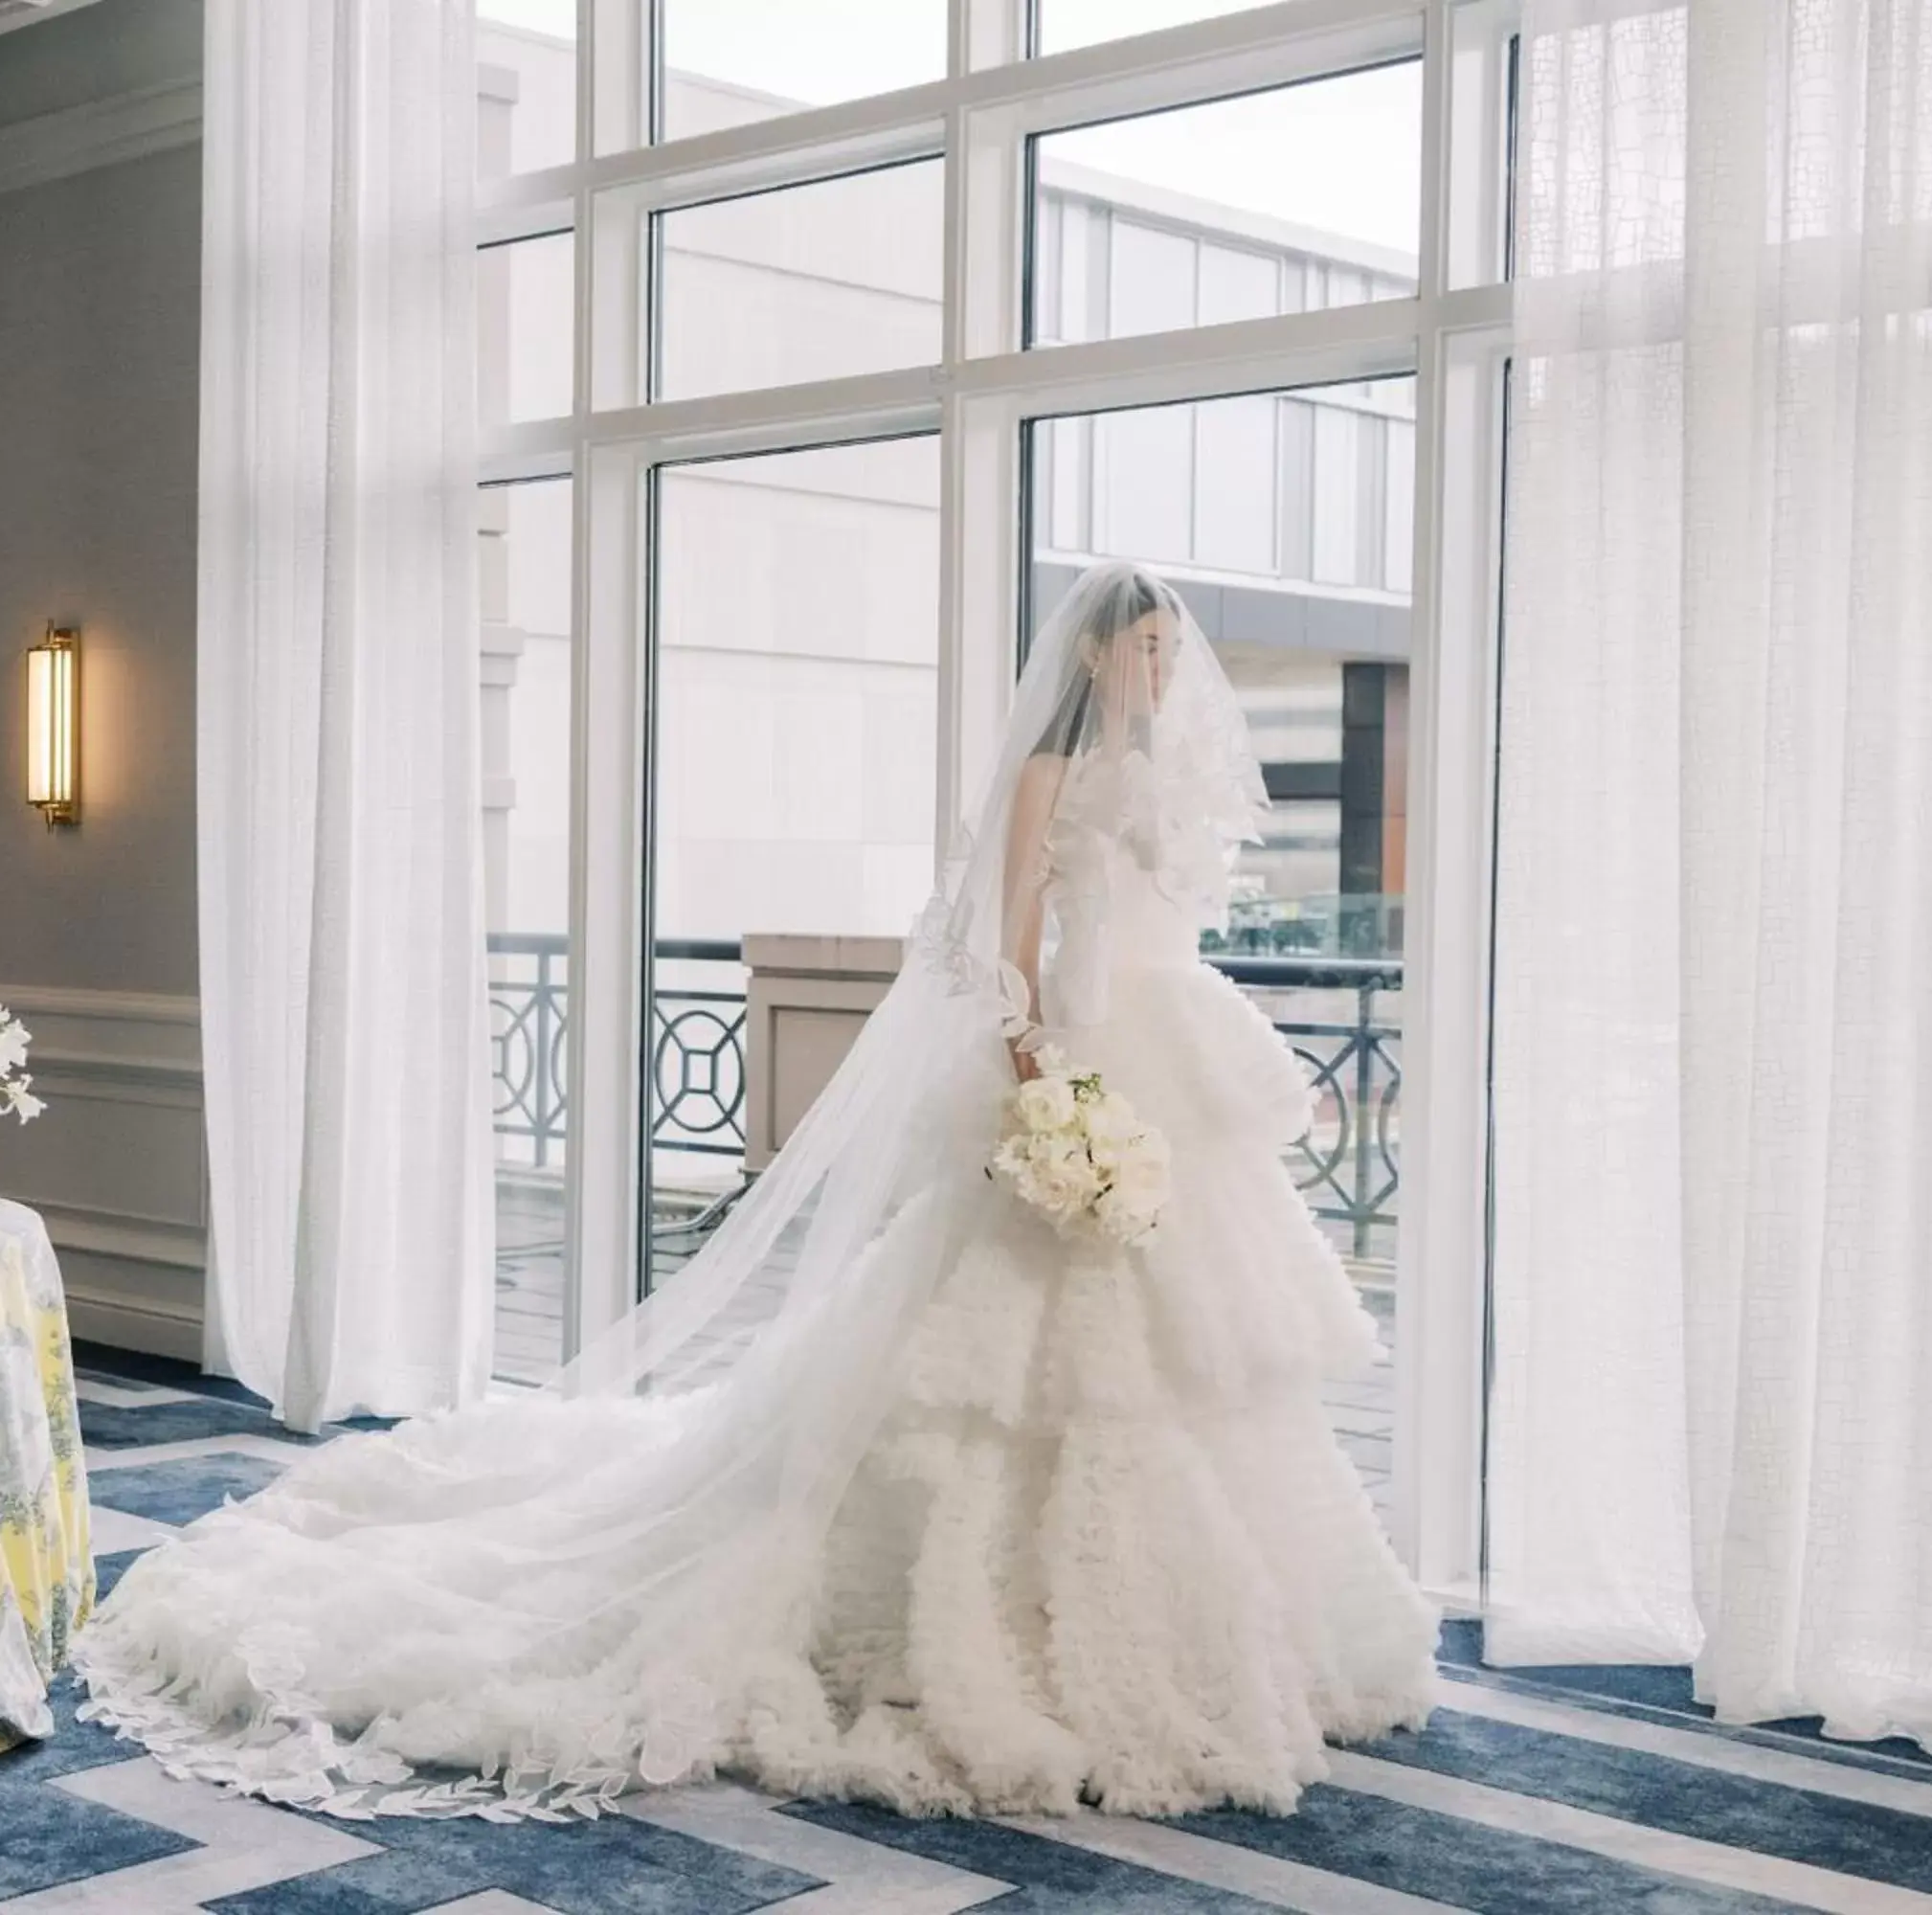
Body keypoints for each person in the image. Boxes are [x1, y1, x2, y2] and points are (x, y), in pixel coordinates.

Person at [77, 560, 1436, 1821]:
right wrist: (1047, 1090)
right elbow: (1003, 945)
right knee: (1002, 1368)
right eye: (1141, 646)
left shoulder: (1170, 773)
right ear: (1091, 646)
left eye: (1166, 650)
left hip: (1170, 1069)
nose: (1159, 670)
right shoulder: (1047, 769)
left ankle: (1210, 1629)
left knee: (1197, 1364)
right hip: (1076, 1069)